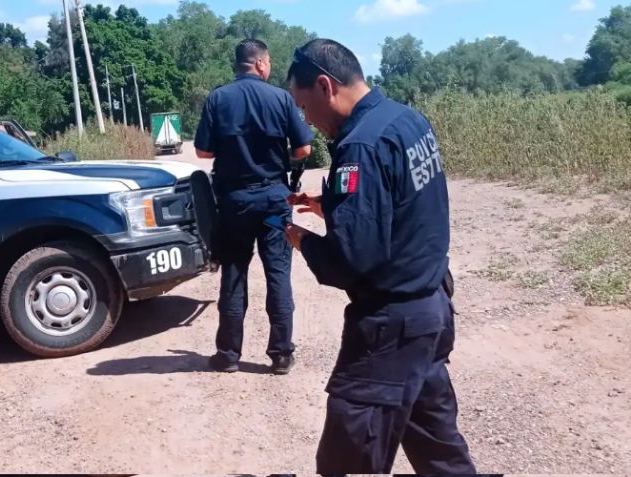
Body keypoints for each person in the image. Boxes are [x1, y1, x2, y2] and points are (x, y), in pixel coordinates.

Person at [283, 39, 477, 474]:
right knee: (438, 451)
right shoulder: (406, 120)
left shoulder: (361, 146)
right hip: (430, 313)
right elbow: (398, 202)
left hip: (391, 328)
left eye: (303, 105)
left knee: (348, 458)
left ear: (324, 86)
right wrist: (330, 203)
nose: (306, 119)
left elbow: (353, 258)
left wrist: (299, 239)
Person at [195, 39, 314, 375]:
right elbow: (304, 149)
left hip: (235, 202)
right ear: (261, 63)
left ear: (239, 64)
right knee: (278, 274)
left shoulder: (218, 98)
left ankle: (228, 355)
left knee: (234, 273)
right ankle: (281, 355)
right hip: (275, 198)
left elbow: (203, 154)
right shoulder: (280, 98)